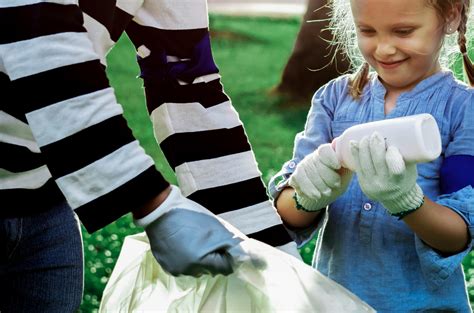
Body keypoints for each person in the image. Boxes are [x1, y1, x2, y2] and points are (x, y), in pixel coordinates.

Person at [0, 0, 297, 312]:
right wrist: (155, 206)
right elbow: (39, 40)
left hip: (42, 199)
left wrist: (276, 264)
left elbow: (189, 86)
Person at [269, 0, 474, 311]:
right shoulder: (333, 100)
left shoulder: (463, 110)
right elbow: (285, 214)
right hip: (333, 303)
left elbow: (459, 234)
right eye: (367, 30)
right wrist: (309, 194)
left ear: (451, 15)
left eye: (403, 31)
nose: (384, 49)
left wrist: (405, 201)